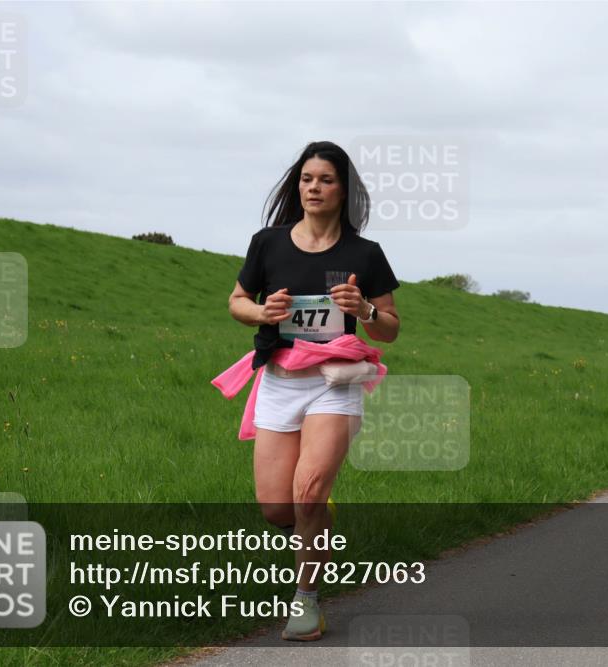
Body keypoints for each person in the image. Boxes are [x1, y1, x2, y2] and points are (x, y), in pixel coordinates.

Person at [214, 141, 401, 641]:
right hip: (279, 379)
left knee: (308, 491)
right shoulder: (268, 243)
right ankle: (317, 517)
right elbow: (236, 301)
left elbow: (389, 329)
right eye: (306, 179)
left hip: (333, 383)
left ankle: (306, 602)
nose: (313, 188)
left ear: (344, 190)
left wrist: (363, 310)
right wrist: (262, 312)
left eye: (325, 180)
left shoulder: (365, 254)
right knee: (278, 508)